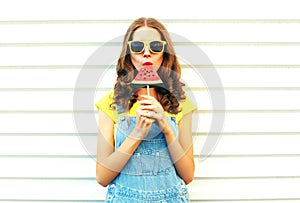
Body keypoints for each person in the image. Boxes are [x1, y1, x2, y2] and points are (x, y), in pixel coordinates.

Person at [95, 17, 197, 203]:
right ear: (128, 54)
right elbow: (102, 177)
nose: (147, 53)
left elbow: (188, 175)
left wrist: (166, 128)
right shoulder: (111, 103)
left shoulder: (181, 103)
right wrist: (137, 134)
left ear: (165, 53)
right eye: (137, 47)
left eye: (156, 46)